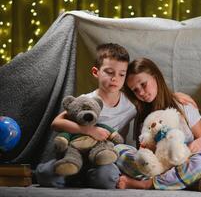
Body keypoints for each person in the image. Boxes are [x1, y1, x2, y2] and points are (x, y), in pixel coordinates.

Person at [35, 43, 137, 188]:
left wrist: (175, 95)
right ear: (96, 72)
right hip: (76, 154)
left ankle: (80, 178)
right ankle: (70, 173)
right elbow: (56, 123)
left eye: (121, 74)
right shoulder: (86, 100)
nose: (115, 78)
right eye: (109, 72)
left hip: (102, 158)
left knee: (107, 178)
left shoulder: (130, 105)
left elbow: (153, 98)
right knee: (46, 175)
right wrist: (89, 131)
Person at [115, 57, 201, 190]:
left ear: (156, 77)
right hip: (158, 166)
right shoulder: (142, 115)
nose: (141, 93)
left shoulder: (183, 105)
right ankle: (174, 181)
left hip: (184, 161)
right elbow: (144, 154)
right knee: (117, 151)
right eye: (135, 90)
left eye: (143, 84)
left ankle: (149, 184)